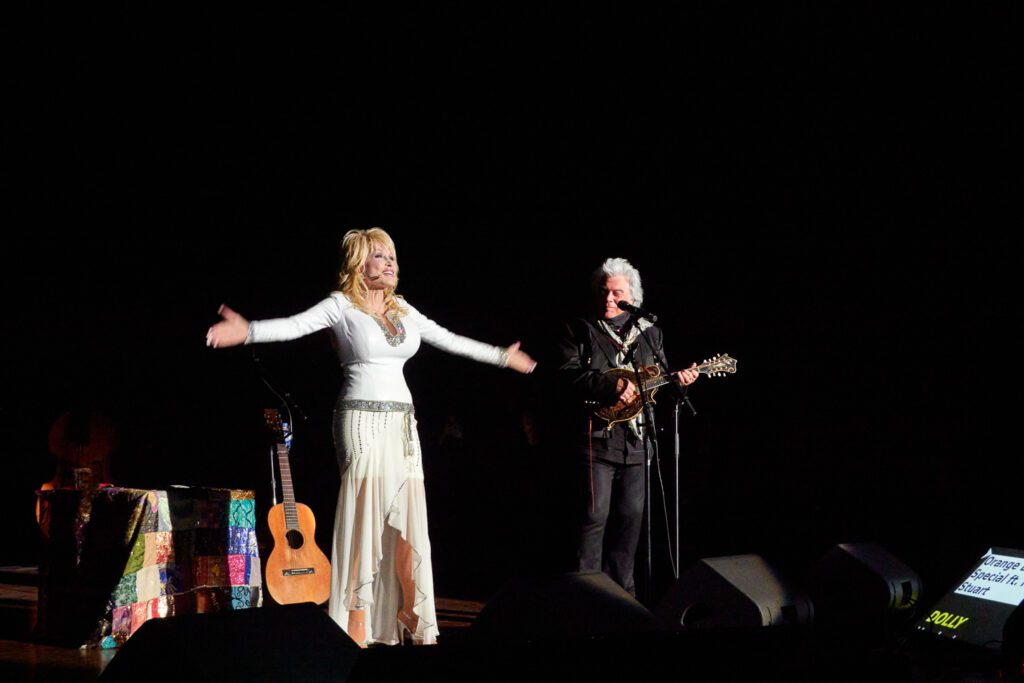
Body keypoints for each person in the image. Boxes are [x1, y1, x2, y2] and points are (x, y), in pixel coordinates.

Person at [205, 228, 536, 646]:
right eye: (380, 256)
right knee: (364, 517)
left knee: (408, 523)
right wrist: (248, 330)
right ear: (359, 264)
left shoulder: (403, 310)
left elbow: (450, 340)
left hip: (402, 427)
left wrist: (502, 357)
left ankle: (413, 623)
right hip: (360, 420)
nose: (391, 263)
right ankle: (356, 623)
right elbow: (293, 325)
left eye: (393, 256)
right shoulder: (340, 305)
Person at [558, 257, 698, 597]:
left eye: (617, 293)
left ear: (631, 298)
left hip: (637, 444)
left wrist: (680, 384)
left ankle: (621, 598)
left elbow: (658, 389)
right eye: (604, 292)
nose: (608, 299)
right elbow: (566, 374)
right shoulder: (581, 329)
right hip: (597, 441)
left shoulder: (650, 335)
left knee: (630, 522)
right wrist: (611, 387)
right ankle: (584, 596)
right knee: (594, 517)